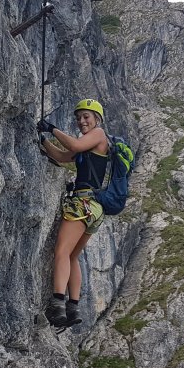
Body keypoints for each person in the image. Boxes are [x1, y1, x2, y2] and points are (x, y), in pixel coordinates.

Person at [37, 98, 110, 326]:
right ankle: (73, 308)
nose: (81, 121)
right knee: (72, 256)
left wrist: (51, 128)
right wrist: (42, 139)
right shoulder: (88, 145)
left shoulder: (99, 134)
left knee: (61, 251)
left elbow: (75, 146)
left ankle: (58, 305)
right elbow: (62, 156)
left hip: (82, 204)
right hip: (94, 209)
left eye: (86, 116)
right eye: (78, 118)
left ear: (97, 119)